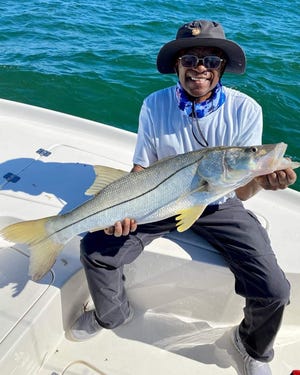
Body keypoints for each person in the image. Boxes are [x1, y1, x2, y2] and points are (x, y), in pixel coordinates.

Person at [70, 20, 297, 374]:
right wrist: (124, 212)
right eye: (190, 59)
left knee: (274, 288)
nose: (200, 68)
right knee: (96, 252)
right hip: (156, 199)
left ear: (222, 67)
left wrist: (262, 182)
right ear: (176, 65)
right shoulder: (154, 105)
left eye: (211, 61)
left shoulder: (246, 110)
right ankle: (112, 315)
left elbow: (240, 189)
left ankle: (250, 345)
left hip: (217, 203)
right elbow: (141, 170)